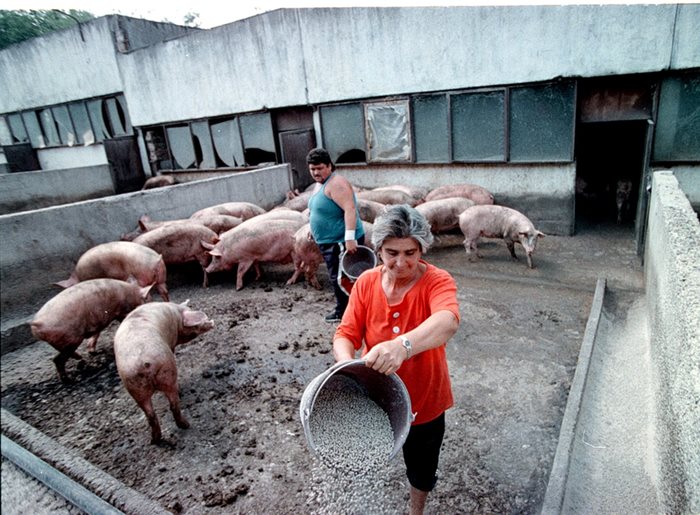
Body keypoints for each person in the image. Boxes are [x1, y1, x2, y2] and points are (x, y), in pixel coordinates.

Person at [332, 204, 460, 515]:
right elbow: (345, 334)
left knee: (421, 466)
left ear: (421, 250)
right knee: (370, 445)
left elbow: (448, 321)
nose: (400, 262)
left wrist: (402, 346)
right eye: (391, 253)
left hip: (425, 399)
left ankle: (416, 511)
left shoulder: (437, 281)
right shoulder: (365, 283)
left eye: (410, 253)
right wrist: (347, 367)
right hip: (376, 396)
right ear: (378, 250)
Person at [306, 148, 365, 323]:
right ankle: (352, 308)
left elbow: (350, 209)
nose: (316, 172)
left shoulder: (336, 184)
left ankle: (346, 312)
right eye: (312, 169)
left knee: (341, 278)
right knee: (338, 276)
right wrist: (313, 227)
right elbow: (320, 209)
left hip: (340, 241)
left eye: (320, 168)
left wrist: (349, 238)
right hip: (330, 241)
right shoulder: (322, 183)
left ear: (330, 166)